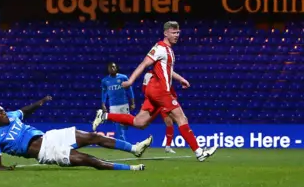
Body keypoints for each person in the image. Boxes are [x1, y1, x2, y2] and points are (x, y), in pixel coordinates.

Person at [92, 21, 217, 162]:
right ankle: (199, 152)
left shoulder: (169, 50)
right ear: (165, 33)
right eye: (173, 32)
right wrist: (131, 81)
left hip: (156, 92)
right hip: (160, 91)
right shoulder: (160, 48)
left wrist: (181, 79)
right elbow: (144, 64)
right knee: (181, 118)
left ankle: (105, 116)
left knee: (140, 122)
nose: (176, 35)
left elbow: (168, 71)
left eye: (178, 32)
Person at [0, 96, 152, 171]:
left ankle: (134, 149)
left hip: (50, 136)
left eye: (3, 111)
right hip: (47, 152)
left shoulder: (13, 116)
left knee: (94, 136)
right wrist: (3, 168)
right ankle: (131, 168)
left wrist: (40, 102)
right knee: (89, 160)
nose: (4, 113)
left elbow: (25, 110)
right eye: (0, 113)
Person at [143, 70, 176, 154]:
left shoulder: (165, 73)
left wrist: (173, 97)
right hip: (153, 101)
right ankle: (140, 143)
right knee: (143, 123)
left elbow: (169, 87)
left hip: (163, 101)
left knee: (169, 122)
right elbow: (144, 88)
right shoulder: (148, 74)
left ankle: (168, 147)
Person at [101, 62, 135, 142]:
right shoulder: (105, 81)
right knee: (117, 123)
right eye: (110, 67)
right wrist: (103, 104)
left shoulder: (123, 77)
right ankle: (122, 140)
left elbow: (130, 90)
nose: (112, 69)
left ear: (116, 68)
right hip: (113, 106)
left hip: (124, 104)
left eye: (113, 67)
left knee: (125, 123)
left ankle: (123, 137)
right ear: (108, 69)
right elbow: (104, 93)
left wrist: (132, 102)